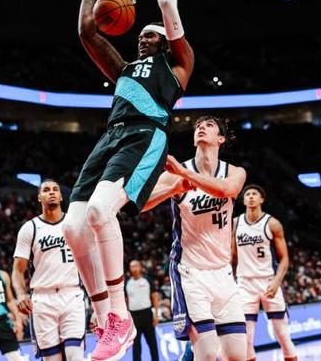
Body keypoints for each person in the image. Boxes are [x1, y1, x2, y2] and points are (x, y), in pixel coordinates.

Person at [62, 0, 195, 360]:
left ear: (164, 40)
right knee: (72, 228)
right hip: (110, 138)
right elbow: (87, 33)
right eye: (139, 36)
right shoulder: (122, 69)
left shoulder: (178, 64)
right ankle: (105, 318)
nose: (142, 39)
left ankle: (121, 317)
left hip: (145, 134)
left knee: (100, 211)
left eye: (149, 35)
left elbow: (169, 8)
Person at [143, 116, 247, 361]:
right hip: (190, 271)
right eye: (198, 125)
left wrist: (183, 173)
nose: (201, 127)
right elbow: (141, 203)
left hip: (223, 273)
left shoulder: (234, 172)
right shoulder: (176, 174)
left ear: (220, 139)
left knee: (237, 355)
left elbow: (227, 190)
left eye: (209, 125)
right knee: (207, 352)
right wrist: (173, 188)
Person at [13, 179, 85, 360]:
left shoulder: (74, 223)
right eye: (46, 190)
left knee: (75, 355)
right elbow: (18, 270)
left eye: (55, 189)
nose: (51, 192)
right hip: (42, 299)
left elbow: (91, 262)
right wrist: (21, 294)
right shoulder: (29, 228)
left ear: (61, 197)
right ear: (39, 197)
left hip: (72, 294)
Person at [232, 185, 297, 361]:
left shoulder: (272, 224)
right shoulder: (236, 223)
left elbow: (284, 259)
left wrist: (277, 282)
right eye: (247, 194)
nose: (251, 196)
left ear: (262, 199)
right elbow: (232, 257)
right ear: (243, 200)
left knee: (283, 336)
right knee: (246, 339)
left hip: (268, 281)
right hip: (244, 283)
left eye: (255, 194)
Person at [125, 260, 159, 361]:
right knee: (136, 344)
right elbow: (125, 301)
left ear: (140, 267)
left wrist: (156, 315)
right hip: (134, 316)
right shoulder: (127, 283)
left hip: (147, 314)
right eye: (131, 266)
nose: (134, 268)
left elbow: (155, 297)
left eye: (136, 266)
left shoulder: (147, 280)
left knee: (152, 343)